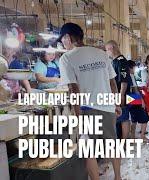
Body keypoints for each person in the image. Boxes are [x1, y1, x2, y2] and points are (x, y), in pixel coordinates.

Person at [57, 23, 121, 180]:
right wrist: (116, 104)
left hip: (87, 109)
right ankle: (118, 177)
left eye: (63, 39)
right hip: (107, 107)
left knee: (89, 150)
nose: (62, 43)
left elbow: (74, 89)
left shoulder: (67, 58)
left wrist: (77, 117)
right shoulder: (101, 53)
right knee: (112, 145)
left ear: (68, 37)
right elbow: (113, 82)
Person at [105, 40, 131, 140]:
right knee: (119, 117)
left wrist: (121, 95)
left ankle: (124, 141)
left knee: (124, 117)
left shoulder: (121, 61)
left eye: (107, 50)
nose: (107, 52)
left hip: (122, 94)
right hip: (117, 93)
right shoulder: (115, 61)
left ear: (112, 48)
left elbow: (124, 80)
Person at [127, 60, 149, 142]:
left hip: (129, 100)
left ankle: (133, 137)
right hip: (135, 99)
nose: (135, 69)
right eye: (134, 67)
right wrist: (142, 101)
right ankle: (142, 137)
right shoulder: (131, 76)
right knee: (145, 118)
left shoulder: (125, 76)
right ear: (130, 67)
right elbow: (135, 90)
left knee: (134, 120)